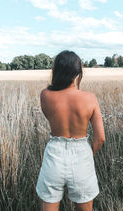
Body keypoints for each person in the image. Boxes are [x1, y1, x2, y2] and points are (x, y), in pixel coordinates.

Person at [36, 50, 105, 211]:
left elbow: (50, 117)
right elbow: (100, 138)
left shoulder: (45, 95)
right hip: (81, 154)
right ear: (78, 72)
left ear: (56, 71)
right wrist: (88, 155)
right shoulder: (90, 98)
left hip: (54, 154)